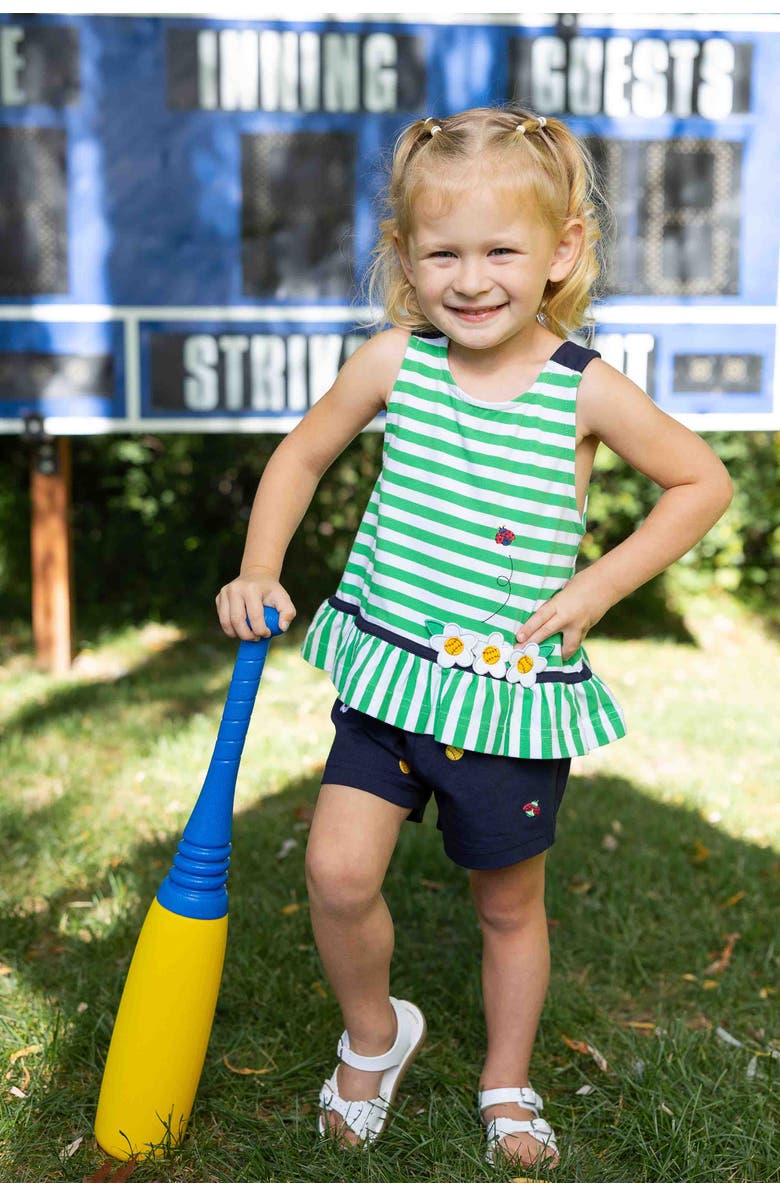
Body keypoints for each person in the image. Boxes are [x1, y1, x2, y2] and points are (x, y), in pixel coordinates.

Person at [215, 107, 733, 1172]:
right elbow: (303, 453)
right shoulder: (395, 358)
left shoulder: (580, 384)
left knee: (508, 904)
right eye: (442, 252)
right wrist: (261, 564)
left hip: (506, 700)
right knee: (337, 872)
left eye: (502, 249)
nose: (472, 277)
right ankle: (375, 1034)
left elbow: (700, 481)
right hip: (392, 677)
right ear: (405, 259)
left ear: (561, 251)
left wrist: (598, 584)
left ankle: (507, 1075)